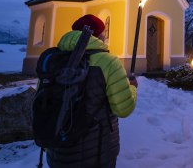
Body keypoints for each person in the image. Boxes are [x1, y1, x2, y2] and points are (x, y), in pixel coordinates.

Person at [46, 14, 138, 168]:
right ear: (98, 35)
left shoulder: (52, 60)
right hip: (97, 152)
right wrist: (133, 88)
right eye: (103, 32)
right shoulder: (108, 62)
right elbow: (123, 109)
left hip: (58, 152)